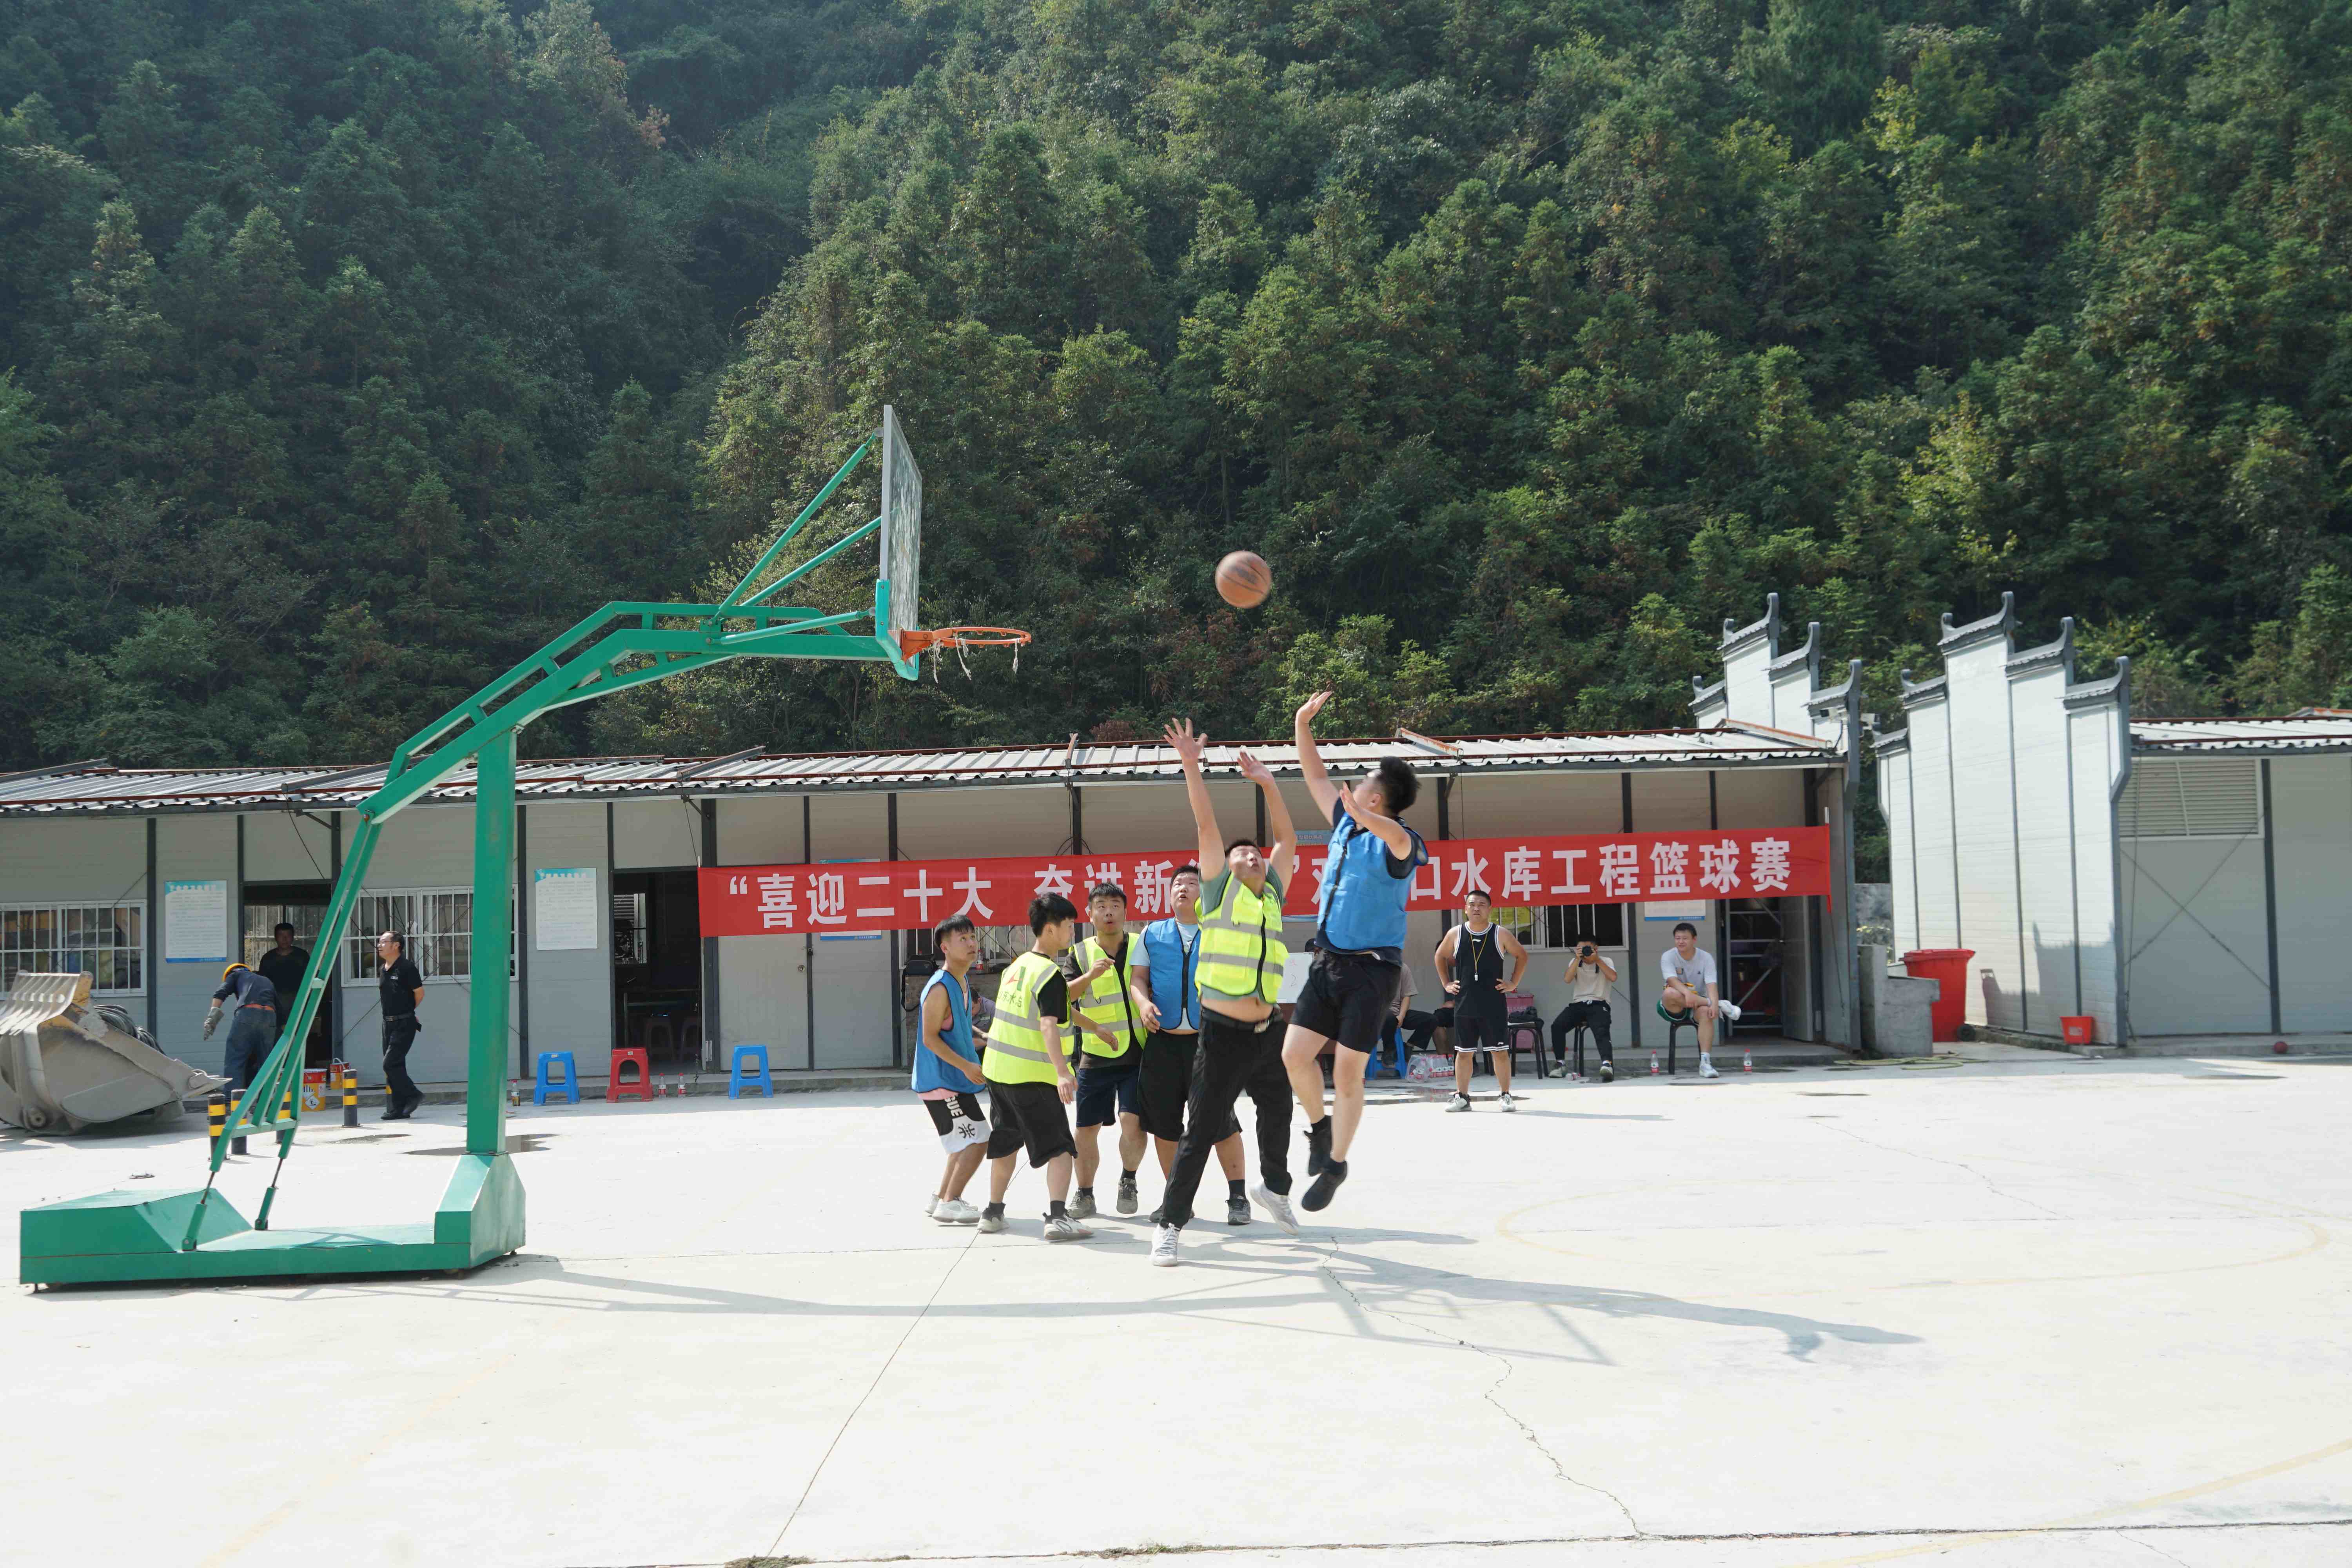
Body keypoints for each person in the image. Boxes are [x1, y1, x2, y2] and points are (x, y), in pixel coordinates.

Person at [1151, 719, 1302, 1267]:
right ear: (1226, 867)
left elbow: (1286, 839)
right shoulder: (1216, 894)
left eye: (1255, 853)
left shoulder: (1272, 896)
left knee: (1279, 1108)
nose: (1251, 856)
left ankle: (1275, 1188)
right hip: (1222, 1035)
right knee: (1202, 1132)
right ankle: (1170, 1225)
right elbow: (1206, 822)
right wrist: (1191, 765)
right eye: (1241, 854)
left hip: (1267, 1031)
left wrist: (1269, 783)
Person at [1279, 691, 1427, 1211]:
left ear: (1377, 798)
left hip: (1372, 972)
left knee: (1347, 1072)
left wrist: (1367, 817)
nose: (1355, 783)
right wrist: (1302, 724)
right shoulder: (1346, 822)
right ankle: (1320, 1129)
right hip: (1327, 962)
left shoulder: (1399, 841)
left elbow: (1401, 841)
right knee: (1293, 1056)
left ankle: (1337, 1165)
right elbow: (1315, 776)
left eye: (1365, 781)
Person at [1130, 865, 1254, 1227]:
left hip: (1209, 1044)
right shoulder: (1152, 934)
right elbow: (1138, 979)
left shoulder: (1220, 932)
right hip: (1163, 1044)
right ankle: (1177, 1201)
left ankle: (1238, 1198)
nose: (1183, 888)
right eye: (1177, 884)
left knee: (1221, 1123)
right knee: (1164, 1125)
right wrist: (1143, 1004)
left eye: (1191, 883)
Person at [977, 893, 1094, 1241]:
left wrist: (1098, 1029)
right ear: (1051, 929)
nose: (1072, 931)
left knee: (1006, 1143)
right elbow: (1048, 1024)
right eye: (1069, 925)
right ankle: (1058, 1218)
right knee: (1060, 1148)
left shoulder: (1017, 967)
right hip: (1034, 1077)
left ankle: (993, 1213)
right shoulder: (1050, 974)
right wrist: (1062, 1073)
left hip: (999, 1075)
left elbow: (1059, 1011)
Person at [1067, 883, 1146, 1220]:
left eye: (1115, 905)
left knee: (1133, 1123)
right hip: (1096, 1054)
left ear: (1126, 912)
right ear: (1090, 914)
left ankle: (1129, 1179)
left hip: (1138, 1052)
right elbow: (1063, 999)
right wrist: (1090, 975)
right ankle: (1085, 1193)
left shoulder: (1143, 945)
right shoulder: (1079, 953)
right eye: (1101, 906)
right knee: (1086, 1129)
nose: (1108, 912)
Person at [916, 916, 990, 1225]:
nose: (972, 944)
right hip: (943, 1081)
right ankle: (951, 1202)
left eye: (973, 937)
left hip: (953, 1079)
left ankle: (941, 1199)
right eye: (963, 939)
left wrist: (984, 1036)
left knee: (962, 1142)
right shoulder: (940, 987)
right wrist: (967, 1066)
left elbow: (957, 1024)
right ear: (945, 947)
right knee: (979, 1140)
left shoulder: (961, 981)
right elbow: (930, 1038)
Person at [1436, 889, 1528, 1111]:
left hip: (1493, 1003)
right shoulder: (1456, 933)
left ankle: (1505, 1095)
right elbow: (1440, 956)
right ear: (1465, 909)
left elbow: (1522, 955)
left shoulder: (1500, 933)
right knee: (1464, 1052)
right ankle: (1462, 1097)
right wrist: (1446, 983)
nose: (1476, 908)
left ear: (1490, 909)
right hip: (1465, 1003)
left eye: (1481, 905)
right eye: (1472, 904)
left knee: (1500, 1052)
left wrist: (1513, 983)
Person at [1659, 920, 1741, 1078]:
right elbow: (1672, 980)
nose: (1681, 942)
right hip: (1675, 1004)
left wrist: (1711, 1004)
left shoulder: (1706, 958)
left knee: (1706, 1014)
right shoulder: (1668, 956)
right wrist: (1709, 1002)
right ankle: (1720, 1005)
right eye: (1678, 938)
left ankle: (1705, 1063)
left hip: (1698, 1005)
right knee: (1669, 993)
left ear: (1694, 939)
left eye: (1685, 938)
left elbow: (1711, 984)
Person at [201, 961, 282, 1096]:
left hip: (248, 1014)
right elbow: (280, 1009)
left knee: (235, 1059)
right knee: (266, 1062)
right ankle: (265, 1102)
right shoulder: (266, 980)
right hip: (270, 1016)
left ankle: (232, 1101)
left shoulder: (235, 975)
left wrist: (212, 1018)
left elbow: (221, 993)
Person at [376, 931, 425, 1120]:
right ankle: (398, 1109)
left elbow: (419, 993)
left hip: (404, 1023)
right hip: (387, 1024)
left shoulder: (406, 967)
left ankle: (414, 1095)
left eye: (383, 942)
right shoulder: (383, 968)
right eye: (379, 942)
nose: (379, 945)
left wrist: (408, 1011)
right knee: (396, 1066)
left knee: (390, 1064)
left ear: (396, 945)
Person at [1552, 939, 1618, 1079]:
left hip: (1599, 1003)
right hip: (1579, 1004)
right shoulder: (1575, 961)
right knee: (1557, 1026)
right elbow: (1567, 980)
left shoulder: (1606, 961)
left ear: (1596, 948)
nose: (1585, 952)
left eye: (1587, 949)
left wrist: (1597, 960)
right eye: (1581, 949)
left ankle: (1607, 1064)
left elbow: (1613, 977)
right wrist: (1577, 959)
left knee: (1601, 1029)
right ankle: (1560, 1064)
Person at [254, 922, 310, 1041]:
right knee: (275, 1034)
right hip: (275, 1001)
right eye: (281, 935)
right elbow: (262, 983)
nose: (285, 939)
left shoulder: (302, 956)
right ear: (276, 938)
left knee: (298, 1033)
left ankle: (296, 1052)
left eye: (288, 935)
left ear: (293, 937)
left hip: (298, 1000)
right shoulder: (268, 958)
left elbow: (310, 978)